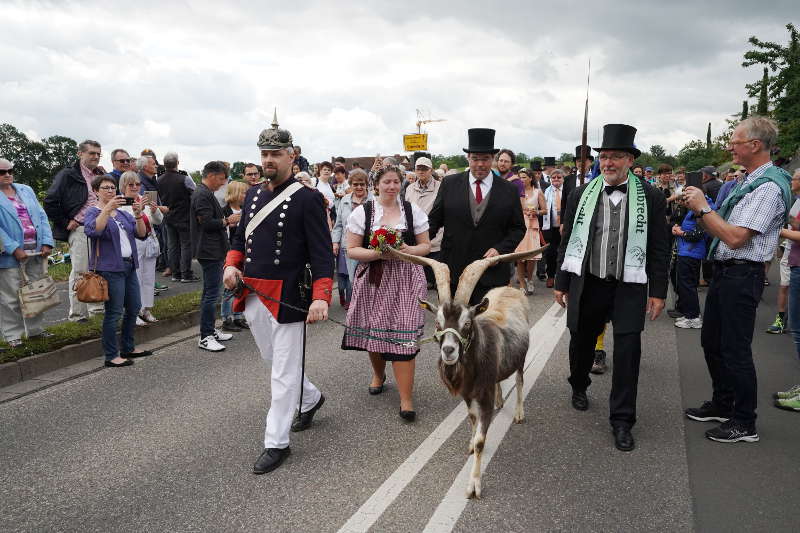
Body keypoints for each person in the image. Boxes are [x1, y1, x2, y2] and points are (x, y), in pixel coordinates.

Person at [222, 117, 333, 475]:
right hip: (253, 291)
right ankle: (312, 398)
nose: (268, 160)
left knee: (282, 373)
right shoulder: (253, 194)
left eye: (275, 153)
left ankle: (276, 441)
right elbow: (240, 240)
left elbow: (321, 254)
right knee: (275, 362)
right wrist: (231, 265)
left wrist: (321, 296)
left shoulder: (308, 199)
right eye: (264, 153)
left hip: (289, 294)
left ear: (291, 156)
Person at [554, 123, 669, 452]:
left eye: (616, 156)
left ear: (631, 160)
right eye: (604, 156)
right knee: (581, 342)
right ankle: (579, 384)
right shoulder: (580, 193)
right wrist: (562, 281)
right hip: (588, 283)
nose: (608, 162)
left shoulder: (651, 196)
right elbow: (567, 241)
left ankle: (622, 420)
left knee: (629, 351)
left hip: (629, 286)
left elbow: (660, 248)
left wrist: (658, 291)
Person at [682, 116, 791, 443]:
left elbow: (735, 237)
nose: (729, 146)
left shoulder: (769, 186)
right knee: (712, 342)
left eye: (735, 141)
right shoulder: (751, 181)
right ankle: (723, 403)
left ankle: (745, 422)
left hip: (742, 273)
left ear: (755, 145)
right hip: (728, 272)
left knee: (735, 350)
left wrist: (702, 208)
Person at [342, 165, 431, 421]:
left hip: (406, 279)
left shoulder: (412, 211)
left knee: (404, 337)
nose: (392, 186)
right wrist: (378, 253)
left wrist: (407, 250)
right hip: (374, 279)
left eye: (396, 182)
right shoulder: (364, 212)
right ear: (376, 184)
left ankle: (406, 399)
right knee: (376, 330)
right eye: (387, 182)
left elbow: (426, 245)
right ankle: (379, 374)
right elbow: (351, 250)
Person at [427, 128, 526, 304]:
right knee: (455, 328)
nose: (480, 164)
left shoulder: (509, 190)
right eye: (475, 159)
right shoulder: (449, 184)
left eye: (485, 159)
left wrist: (500, 249)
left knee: (488, 327)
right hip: (454, 272)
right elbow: (434, 221)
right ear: (468, 158)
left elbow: (518, 229)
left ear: (493, 159)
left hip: (492, 275)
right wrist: (415, 245)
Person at [84, 175, 151, 367]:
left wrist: (138, 214)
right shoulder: (93, 212)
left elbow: (141, 233)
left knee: (134, 307)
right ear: (96, 191)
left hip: (129, 265)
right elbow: (94, 231)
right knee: (114, 312)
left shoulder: (122, 213)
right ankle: (111, 355)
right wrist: (106, 209)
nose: (111, 191)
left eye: (113, 188)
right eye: (105, 188)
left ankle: (128, 347)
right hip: (110, 268)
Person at [43, 139, 106, 322]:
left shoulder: (100, 174)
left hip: (102, 226)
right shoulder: (68, 175)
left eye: (98, 153)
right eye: (91, 153)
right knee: (81, 271)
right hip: (81, 228)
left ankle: (96, 311)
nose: (95, 157)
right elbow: (50, 201)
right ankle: (78, 315)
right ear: (80, 154)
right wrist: (65, 222)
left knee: (99, 270)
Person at [0, 158, 55, 347]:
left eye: (10, 170)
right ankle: (13, 336)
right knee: (10, 297)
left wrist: (47, 242)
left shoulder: (25, 189)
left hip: (36, 251)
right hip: (9, 256)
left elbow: (41, 215)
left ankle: (35, 331)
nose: (7, 174)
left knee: (36, 293)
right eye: (2, 172)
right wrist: (13, 248)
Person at [191, 161, 236, 351]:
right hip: (209, 251)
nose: (222, 183)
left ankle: (210, 330)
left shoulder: (204, 192)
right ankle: (206, 335)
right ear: (211, 175)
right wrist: (227, 220)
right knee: (211, 294)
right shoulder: (201, 194)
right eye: (220, 179)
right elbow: (206, 222)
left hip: (212, 249)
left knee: (210, 293)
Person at [119, 171, 162, 326]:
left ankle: (146, 308)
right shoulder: (121, 202)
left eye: (138, 184)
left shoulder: (142, 199)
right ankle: (133, 311)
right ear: (123, 186)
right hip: (133, 245)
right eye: (131, 184)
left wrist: (154, 209)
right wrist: (139, 210)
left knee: (149, 278)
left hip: (149, 243)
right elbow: (125, 223)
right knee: (135, 279)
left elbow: (158, 221)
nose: (135, 187)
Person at [774, 168, 800, 411]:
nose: (790, 180)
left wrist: (777, 230)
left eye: (794, 177)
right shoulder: (797, 201)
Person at [331, 169, 370, 308]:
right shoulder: (345, 200)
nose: (359, 187)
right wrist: (335, 242)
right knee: (347, 275)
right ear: (351, 185)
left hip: (366, 246)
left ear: (367, 184)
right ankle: (349, 299)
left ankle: (360, 302)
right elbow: (339, 224)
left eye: (362, 184)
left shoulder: (373, 200)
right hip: (346, 243)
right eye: (355, 184)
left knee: (364, 276)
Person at [157, 152, 198, 284]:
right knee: (186, 245)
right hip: (184, 216)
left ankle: (175, 273)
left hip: (168, 216)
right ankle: (186, 274)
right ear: (177, 163)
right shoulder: (184, 179)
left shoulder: (159, 180)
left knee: (172, 246)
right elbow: (195, 192)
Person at [403, 157, 443, 289]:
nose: (421, 171)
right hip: (415, 237)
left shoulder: (440, 187)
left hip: (435, 238)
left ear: (430, 170)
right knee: (419, 280)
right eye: (418, 168)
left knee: (434, 278)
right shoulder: (410, 188)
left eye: (424, 169)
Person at [671, 198, 709, 328]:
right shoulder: (696, 208)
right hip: (687, 251)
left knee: (688, 286)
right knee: (686, 285)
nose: (683, 200)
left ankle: (693, 317)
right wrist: (678, 228)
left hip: (691, 252)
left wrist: (680, 232)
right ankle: (690, 314)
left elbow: (697, 234)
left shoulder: (700, 209)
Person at [220, 180, 248, 332]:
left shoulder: (246, 210)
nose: (245, 195)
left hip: (243, 252)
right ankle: (226, 317)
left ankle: (238, 315)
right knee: (229, 287)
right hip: (230, 251)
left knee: (241, 284)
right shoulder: (225, 211)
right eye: (243, 192)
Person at [514, 168, 547, 294]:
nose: (521, 180)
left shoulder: (538, 192)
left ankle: (530, 279)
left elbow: (545, 210)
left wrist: (536, 212)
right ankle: (522, 284)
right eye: (520, 177)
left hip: (532, 226)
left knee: (532, 257)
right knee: (520, 257)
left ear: (530, 178)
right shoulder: (515, 192)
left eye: (524, 177)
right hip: (519, 226)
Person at [542, 168, 565, 288]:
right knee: (550, 253)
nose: (556, 179)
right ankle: (550, 276)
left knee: (563, 253)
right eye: (553, 177)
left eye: (559, 177)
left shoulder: (567, 190)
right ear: (550, 179)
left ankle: (562, 277)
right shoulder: (546, 191)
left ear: (563, 179)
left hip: (564, 227)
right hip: (550, 227)